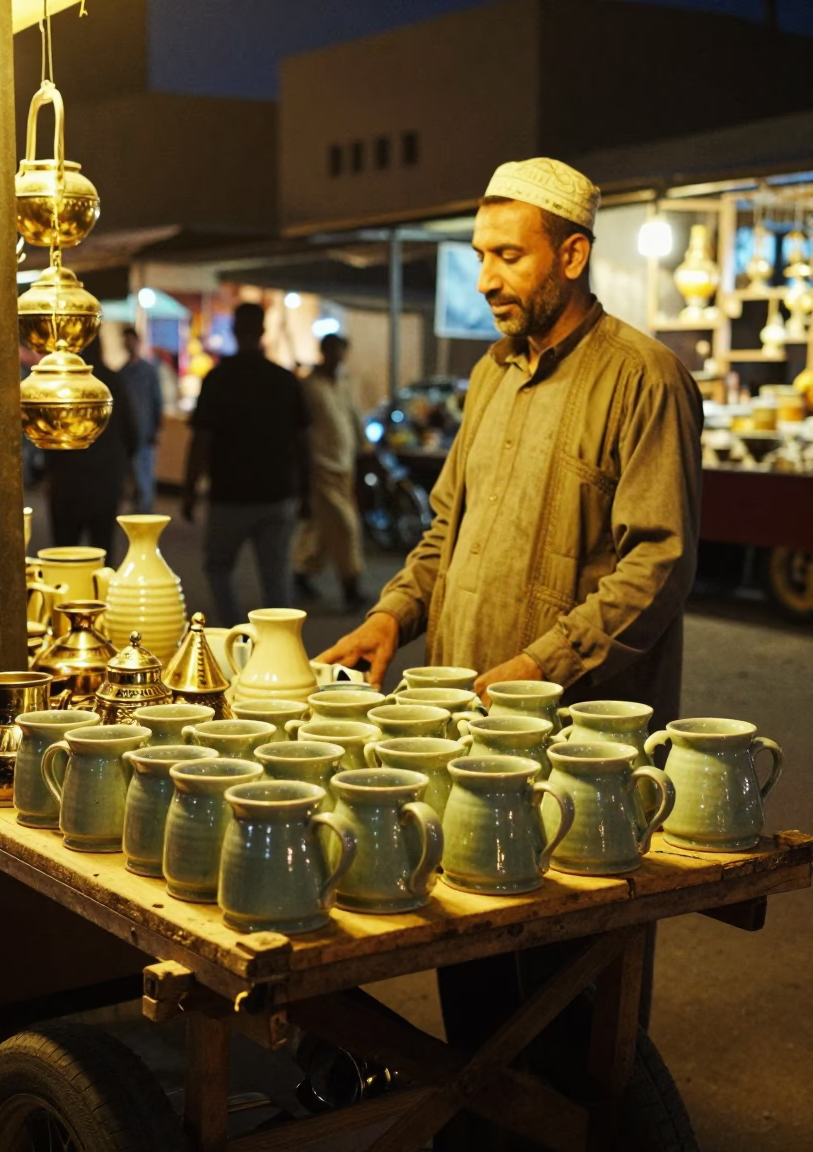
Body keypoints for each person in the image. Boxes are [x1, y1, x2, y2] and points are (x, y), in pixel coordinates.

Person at [318, 157, 703, 1057]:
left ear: (572, 255)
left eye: (509, 256)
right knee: (478, 995)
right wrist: (392, 617)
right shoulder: (491, 375)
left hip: (581, 758)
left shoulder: (645, 378)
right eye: (480, 255)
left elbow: (660, 563)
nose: (486, 278)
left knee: (578, 1008)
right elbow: (444, 529)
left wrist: (540, 668)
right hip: (466, 743)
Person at [182, 302, 311, 626]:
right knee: (276, 576)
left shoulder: (218, 379)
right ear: (263, 331)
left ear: (236, 331)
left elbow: (201, 440)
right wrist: (306, 491)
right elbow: (303, 441)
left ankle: (234, 633)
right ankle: (281, 647)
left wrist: (189, 489)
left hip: (230, 493)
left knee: (218, 566)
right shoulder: (284, 380)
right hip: (278, 491)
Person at [43, 335, 138, 564]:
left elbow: (48, 435)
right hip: (105, 480)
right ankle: (101, 597)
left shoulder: (62, 384)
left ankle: (66, 597)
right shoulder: (112, 381)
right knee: (102, 551)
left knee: (64, 554)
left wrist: (47, 470)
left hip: (67, 481)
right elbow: (132, 433)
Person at [293, 334, 368, 609]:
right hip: (321, 467)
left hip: (345, 465)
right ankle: (351, 586)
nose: (338, 356)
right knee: (346, 526)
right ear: (324, 351)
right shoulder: (309, 386)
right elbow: (302, 430)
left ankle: (301, 572)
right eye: (334, 351)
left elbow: (353, 418)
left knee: (325, 529)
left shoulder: (344, 383)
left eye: (341, 351)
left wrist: (365, 449)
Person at [119, 326, 162, 513]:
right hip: (130, 432)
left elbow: (156, 401)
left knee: (144, 473)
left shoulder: (147, 371)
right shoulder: (123, 372)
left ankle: (144, 512)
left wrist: (155, 428)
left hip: (144, 431)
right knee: (133, 474)